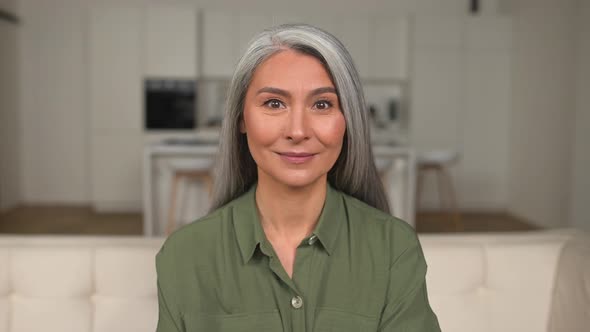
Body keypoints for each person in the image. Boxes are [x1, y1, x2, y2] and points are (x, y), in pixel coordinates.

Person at [155, 24, 441, 332]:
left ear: (348, 120)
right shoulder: (184, 255)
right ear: (241, 119)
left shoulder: (393, 248)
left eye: (322, 104)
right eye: (274, 103)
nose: (298, 131)